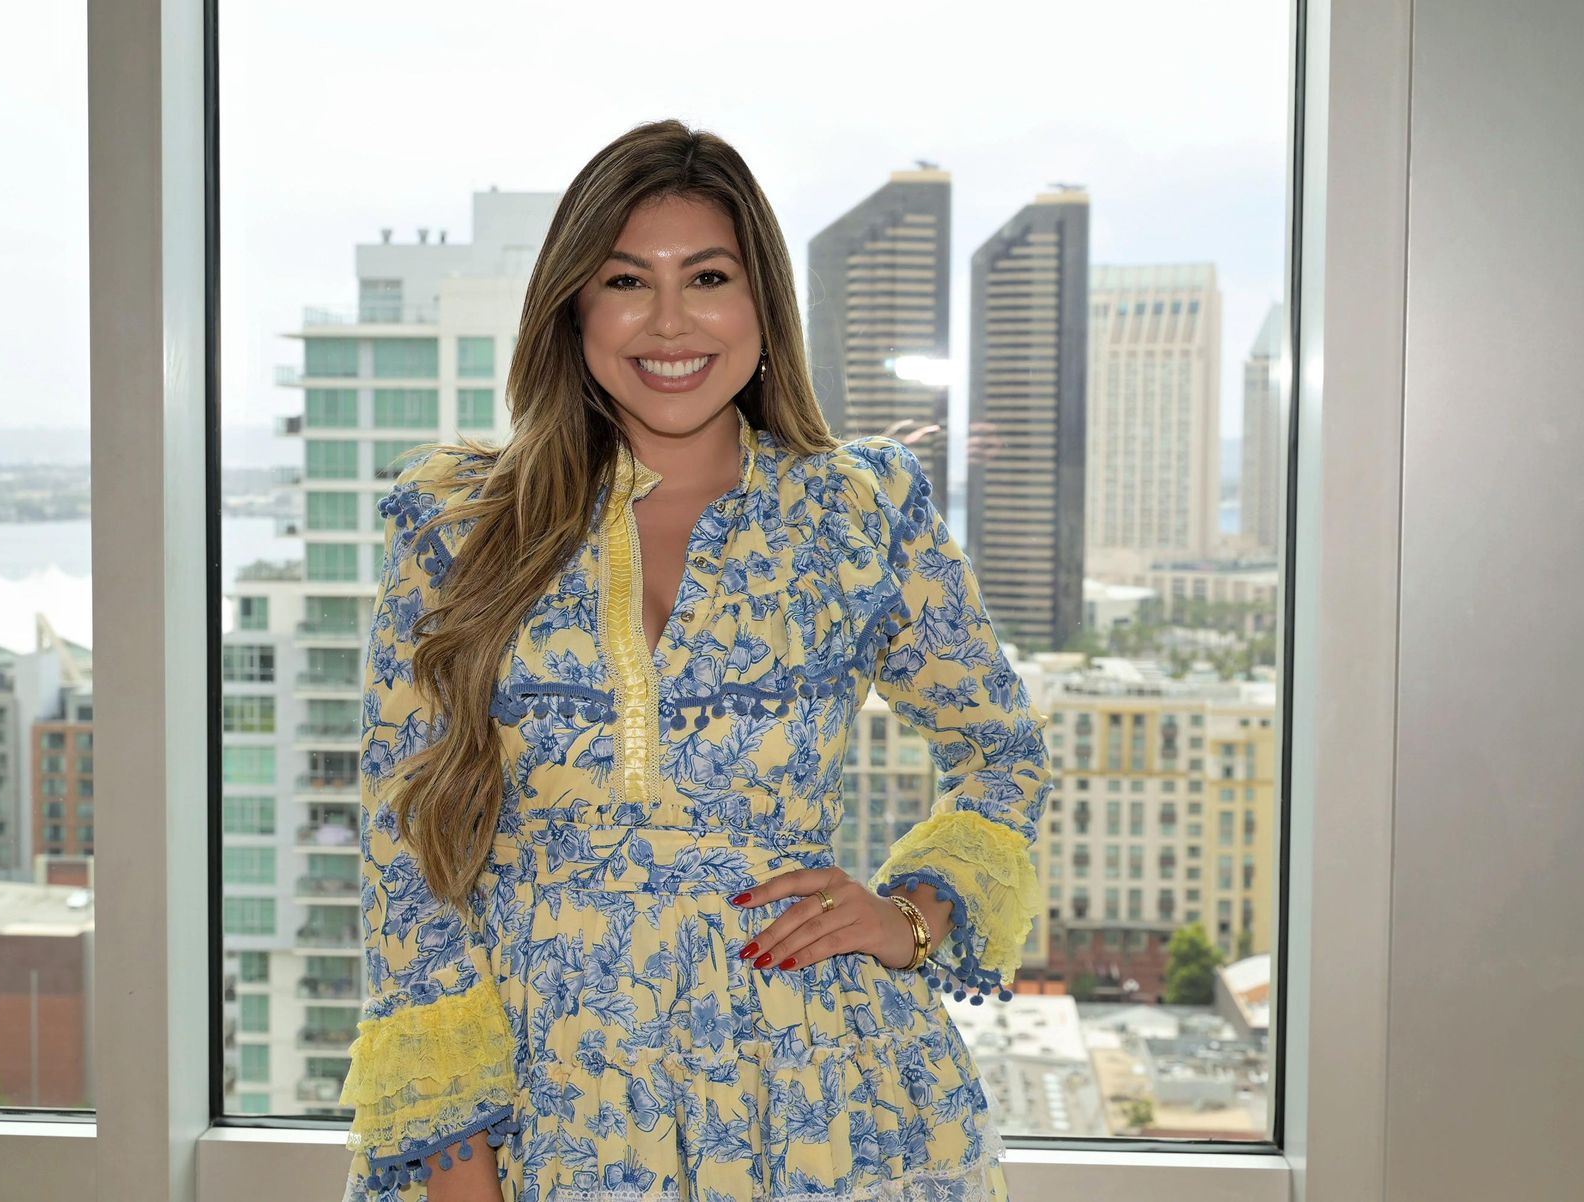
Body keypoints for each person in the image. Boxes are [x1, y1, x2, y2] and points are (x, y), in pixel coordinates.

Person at [338, 118, 1055, 1202]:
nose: (669, 321)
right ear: (574, 307)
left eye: (708, 277)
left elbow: (1002, 752)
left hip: (815, 1094)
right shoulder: (459, 525)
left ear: (763, 303)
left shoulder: (859, 513)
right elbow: (406, 850)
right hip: (544, 1098)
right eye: (627, 280)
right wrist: (455, 1165)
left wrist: (912, 916)